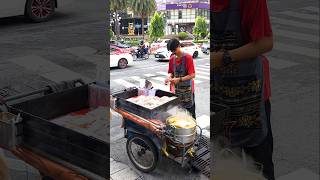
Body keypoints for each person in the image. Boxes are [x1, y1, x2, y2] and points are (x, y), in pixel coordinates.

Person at [211, 0, 274, 179]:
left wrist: (225, 57)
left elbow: (266, 42)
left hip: (250, 98)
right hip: (218, 98)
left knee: (260, 167)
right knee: (225, 163)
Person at [165, 39, 196, 119]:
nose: (174, 52)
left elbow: (192, 75)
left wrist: (179, 79)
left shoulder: (188, 58)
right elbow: (171, 72)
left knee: (190, 114)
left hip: (187, 92)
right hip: (177, 91)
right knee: (180, 114)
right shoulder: (172, 59)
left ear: (179, 46)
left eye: (174, 50)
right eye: (172, 51)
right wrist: (169, 77)